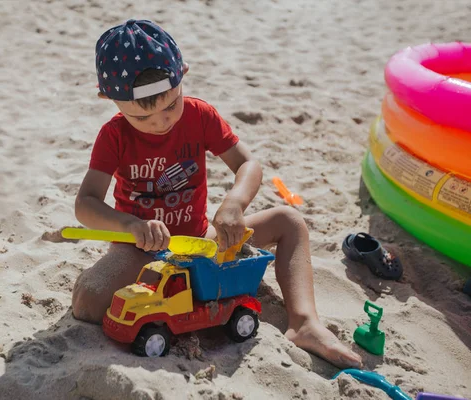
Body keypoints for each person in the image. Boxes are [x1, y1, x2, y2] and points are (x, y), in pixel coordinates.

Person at [68, 19, 362, 369]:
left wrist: (234, 204)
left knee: (289, 220)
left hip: (202, 240)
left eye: (170, 106)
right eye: (142, 117)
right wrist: (130, 225)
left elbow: (248, 164)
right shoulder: (114, 136)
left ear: (183, 75)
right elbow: (85, 204)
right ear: (110, 99)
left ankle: (304, 322)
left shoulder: (199, 115)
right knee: (87, 302)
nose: (161, 122)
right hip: (144, 250)